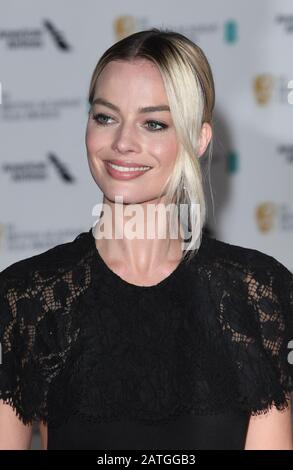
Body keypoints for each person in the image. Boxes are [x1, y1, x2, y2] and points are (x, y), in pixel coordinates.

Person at [0, 28, 293, 450]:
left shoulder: (256, 293)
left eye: (153, 123)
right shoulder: (29, 298)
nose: (122, 143)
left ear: (197, 138)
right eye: (106, 117)